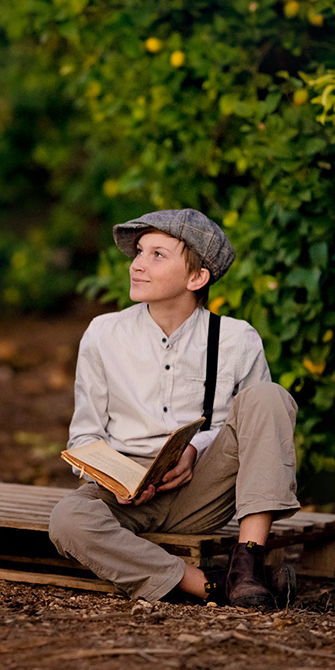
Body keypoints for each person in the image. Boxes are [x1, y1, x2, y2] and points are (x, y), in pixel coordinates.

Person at [48, 209, 300, 607]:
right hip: (124, 499)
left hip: (201, 492)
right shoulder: (104, 333)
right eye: (139, 253)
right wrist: (115, 477)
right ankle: (210, 584)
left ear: (196, 278)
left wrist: (194, 449)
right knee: (67, 519)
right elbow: (85, 435)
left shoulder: (236, 339)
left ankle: (249, 560)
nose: (138, 264)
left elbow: (256, 431)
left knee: (268, 397)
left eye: (157, 255)